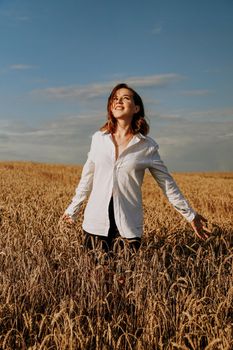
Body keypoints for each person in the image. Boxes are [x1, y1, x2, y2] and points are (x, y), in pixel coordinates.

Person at [62, 83, 210, 253]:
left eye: (125, 98)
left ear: (136, 108)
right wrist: (73, 209)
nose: (118, 101)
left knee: (124, 278)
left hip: (128, 225)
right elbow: (87, 178)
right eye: (115, 99)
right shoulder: (98, 139)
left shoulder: (147, 146)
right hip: (95, 223)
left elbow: (167, 185)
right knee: (94, 278)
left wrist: (190, 214)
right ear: (111, 107)